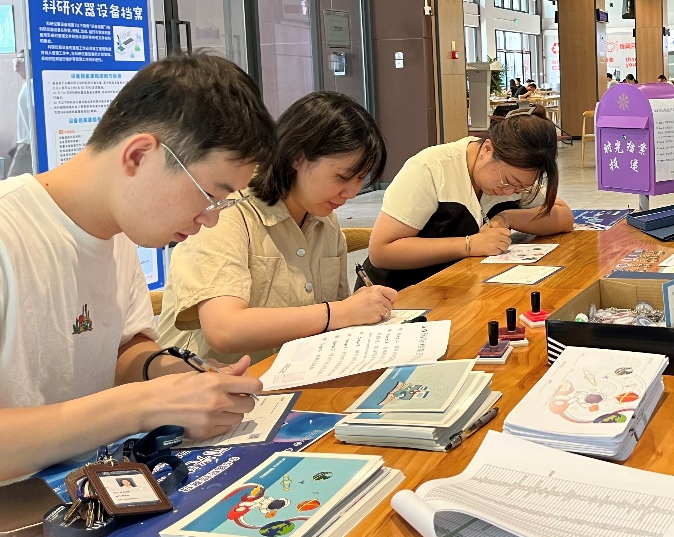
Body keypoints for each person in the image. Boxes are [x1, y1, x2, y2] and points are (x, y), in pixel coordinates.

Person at [0, 53, 277, 483]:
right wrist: (146, 404)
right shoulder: (9, 231)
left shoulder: (119, 231)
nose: (210, 219)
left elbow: (121, 350)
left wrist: (183, 379)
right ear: (139, 155)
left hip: (90, 487)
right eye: (210, 195)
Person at [156, 92, 395, 364]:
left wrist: (354, 310)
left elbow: (335, 318)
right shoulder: (226, 210)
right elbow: (224, 330)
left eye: (360, 179)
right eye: (342, 177)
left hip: (289, 372)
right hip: (208, 379)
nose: (351, 192)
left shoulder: (324, 219)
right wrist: (338, 312)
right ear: (296, 157)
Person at [360, 109, 574, 290]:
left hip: (459, 285)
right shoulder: (431, 168)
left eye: (521, 187)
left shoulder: (517, 173)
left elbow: (563, 217)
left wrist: (507, 218)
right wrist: (469, 245)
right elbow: (381, 251)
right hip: (400, 293)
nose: (511, 191)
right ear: (487, 150)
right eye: (508, 181)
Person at [5, 50, 32, 178]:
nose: (17, 62)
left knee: (14, 180)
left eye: (21, 59)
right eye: (16, 59)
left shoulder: (31, 86)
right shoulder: (26, 85)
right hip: (25, 142)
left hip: (28, 144)